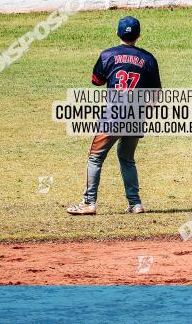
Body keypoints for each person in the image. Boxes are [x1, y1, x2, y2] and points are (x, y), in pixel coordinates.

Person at [66, 16, 161, 215]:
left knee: (95, 158)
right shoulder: (149, 59)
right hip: (136, 117)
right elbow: (155, 97)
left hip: (113, 116)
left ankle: (88, 203)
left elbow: (96, 81)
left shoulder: (107, 55)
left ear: (117, 33)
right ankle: (135, 204)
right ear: (139, 35)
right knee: (127, 158)